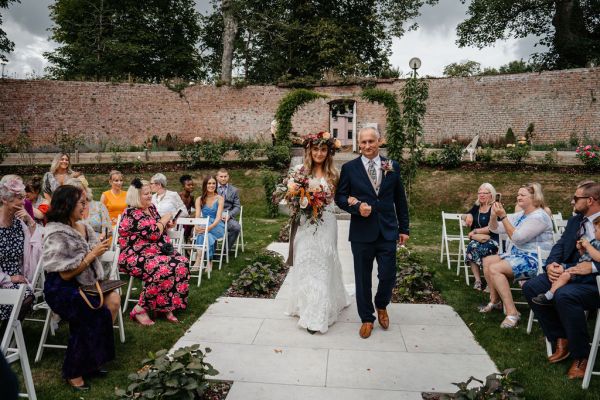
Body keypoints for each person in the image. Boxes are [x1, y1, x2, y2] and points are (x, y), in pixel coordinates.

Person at [41, 185, 120, 391]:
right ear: (67, 205)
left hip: (85, 283)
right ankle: (73, 371)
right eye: (82, 203)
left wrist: (100, 248)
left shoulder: (84, 227)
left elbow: (94, 256)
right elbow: (65, 273)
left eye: (85, 202)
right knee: (90, 312)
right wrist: (92, 254)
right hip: (61, 288)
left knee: (106, 307)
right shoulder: (55, 233)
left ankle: (91, 362)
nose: (86, 206)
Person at [335, 127, 409, 339]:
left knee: (388, 275)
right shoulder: (349, 168)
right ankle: (367, 318)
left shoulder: (391, 166)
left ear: (379, 141)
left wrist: (404, 228)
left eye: (371, 141)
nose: (367, 146)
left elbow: (400, 200)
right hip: (361, 232)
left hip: (387, 230)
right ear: (359, 144)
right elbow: (340, 198)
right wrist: (356, 208)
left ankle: (381, 305)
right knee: (362, 278)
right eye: (363, 142)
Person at [523, 181, 600, 380]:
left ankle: (581, 356)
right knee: (532, 287)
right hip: (569, 272)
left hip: (595, 281)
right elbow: (560, 245)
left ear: (590, 200)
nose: (571, 201)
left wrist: (592, 267)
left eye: (576, 198)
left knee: (565, 296)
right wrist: (552, 265)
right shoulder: (576, 221)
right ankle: (561, 337)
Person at [285, 132, 350, 334]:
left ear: (328, 152)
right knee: (305, 260)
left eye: (323, 149)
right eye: (316, 149)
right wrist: (297, 196)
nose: (319, 153)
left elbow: (340, 199)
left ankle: (318, 313)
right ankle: (305, 306)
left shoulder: (334, 174)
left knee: (323, 263)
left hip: (326, 222)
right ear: (309, 151)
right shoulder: (299, 171)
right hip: (305, 223)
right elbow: (290, 197)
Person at [480, 183, 554, 329]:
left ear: (534, 197)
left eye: (522, 195)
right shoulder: (521, 214)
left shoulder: (540, 216)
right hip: (518, 255)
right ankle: (495, 301)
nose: (518, 197)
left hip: (535, 260)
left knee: (495, 268)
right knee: (487, 260)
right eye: (518, 194)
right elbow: (495, 229)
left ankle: (512, 313)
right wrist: (494, 217)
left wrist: (504, 216)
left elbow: (518, 238)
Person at [118, 178, 190, 326]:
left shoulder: (151, 208)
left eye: (150, 193)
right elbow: (153, 233)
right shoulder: (132, 213)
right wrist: (164, 219)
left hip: (156, 251)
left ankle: (165, 306)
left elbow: (158, 229)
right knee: (164, 268)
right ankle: (140, 308)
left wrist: (167, 224)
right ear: (136, 196)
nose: (150, 196)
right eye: (146, 194)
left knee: (182, 263)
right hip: (135, 254)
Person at [0, 175, 41, 323]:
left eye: (22, 197)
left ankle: (7, 333)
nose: (23, 201)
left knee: (27, 296)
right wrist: (8, 278)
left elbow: (38, 248)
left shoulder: (19, 225)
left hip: (19, 280)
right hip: (3, 279)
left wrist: (30, 221)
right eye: (18, 198)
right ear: (5, 200)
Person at [532, 216, 600, 305]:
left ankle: (549, 295)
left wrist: (588, 246)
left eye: (596, 230)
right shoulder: (594, 241)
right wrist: (582, 250)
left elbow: (598, 257)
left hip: (588, 274)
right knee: (558, 271)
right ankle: (552, 293)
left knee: (565, 275)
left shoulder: (595, 244)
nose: (594, 232)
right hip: (579, 267)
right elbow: (586, 256)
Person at [464, 183, 499, 290]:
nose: (481, 195)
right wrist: (468, 215)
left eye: (485, 193)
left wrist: (475, 231)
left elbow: (493, 228)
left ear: (491, 194)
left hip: (492, 239)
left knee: (482, 249)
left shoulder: (495, 207)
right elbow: (463, 215)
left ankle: (490, 281)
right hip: (478, 239)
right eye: (480, 193)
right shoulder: (477, 206)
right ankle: (478, 280)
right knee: (471, 247)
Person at [194, 176, 225, 273]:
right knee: (206, 235)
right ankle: (209, 261)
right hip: (205, 224)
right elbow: (197, 216)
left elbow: (218, 217)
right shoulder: (199, 199)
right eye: (209, 183)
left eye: (213, 183)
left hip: (217, 225)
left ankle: (198, 259)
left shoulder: (220, 198)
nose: (211, 185)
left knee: (204, 233)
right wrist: (196, 226)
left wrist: (209, 227)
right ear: (205, 185)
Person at [216, 168, 241, 250]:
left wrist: (229, 215)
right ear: (217, 177)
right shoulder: (212, 187)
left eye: (225, 176)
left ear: (228, 177)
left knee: (236, 227)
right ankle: (211, 250)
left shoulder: (234, 190)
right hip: (214, 216)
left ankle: (225, 250)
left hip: (228, 217)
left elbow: (237, 206)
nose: (223, 178)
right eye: (221, 176)